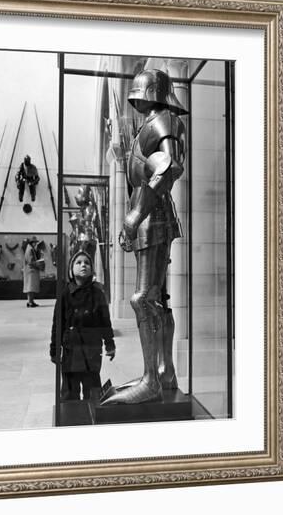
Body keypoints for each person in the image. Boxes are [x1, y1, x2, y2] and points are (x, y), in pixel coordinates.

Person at [102, 69, 187, 405]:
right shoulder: (149, 124)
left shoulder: (164, 120)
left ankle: (152, 381)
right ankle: (164, 372)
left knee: (141, 299)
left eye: (141, 93)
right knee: (155, 298)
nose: (136, 98)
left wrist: (135, 217)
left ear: (154, 92)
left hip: (153, 215)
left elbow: (171, 166)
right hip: (150, 213)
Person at [49, 250, 116, 401]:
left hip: (91, 350)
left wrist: (110, 344)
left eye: (87, 263)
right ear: (71, 269)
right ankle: (72, 421)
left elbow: (105, 322)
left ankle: (91, 420)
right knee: (69, 392)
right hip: (70, 351)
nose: (83, 265)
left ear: (92, 269)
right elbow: (57, 324)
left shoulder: (97, 293)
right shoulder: (65, 294)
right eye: (78, 262)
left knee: (92, 391)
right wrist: (54, 350)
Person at [23, 236, 42, 307]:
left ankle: (31, 301)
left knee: (31, 287)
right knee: (30, 287)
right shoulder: (30, 250)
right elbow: (31, 261)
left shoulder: (31, 249)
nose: (36, 244)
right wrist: (38, 265)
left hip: (31, 271)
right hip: (30, 271)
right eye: (35, 242)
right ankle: (30, 302)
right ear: (32, 243)